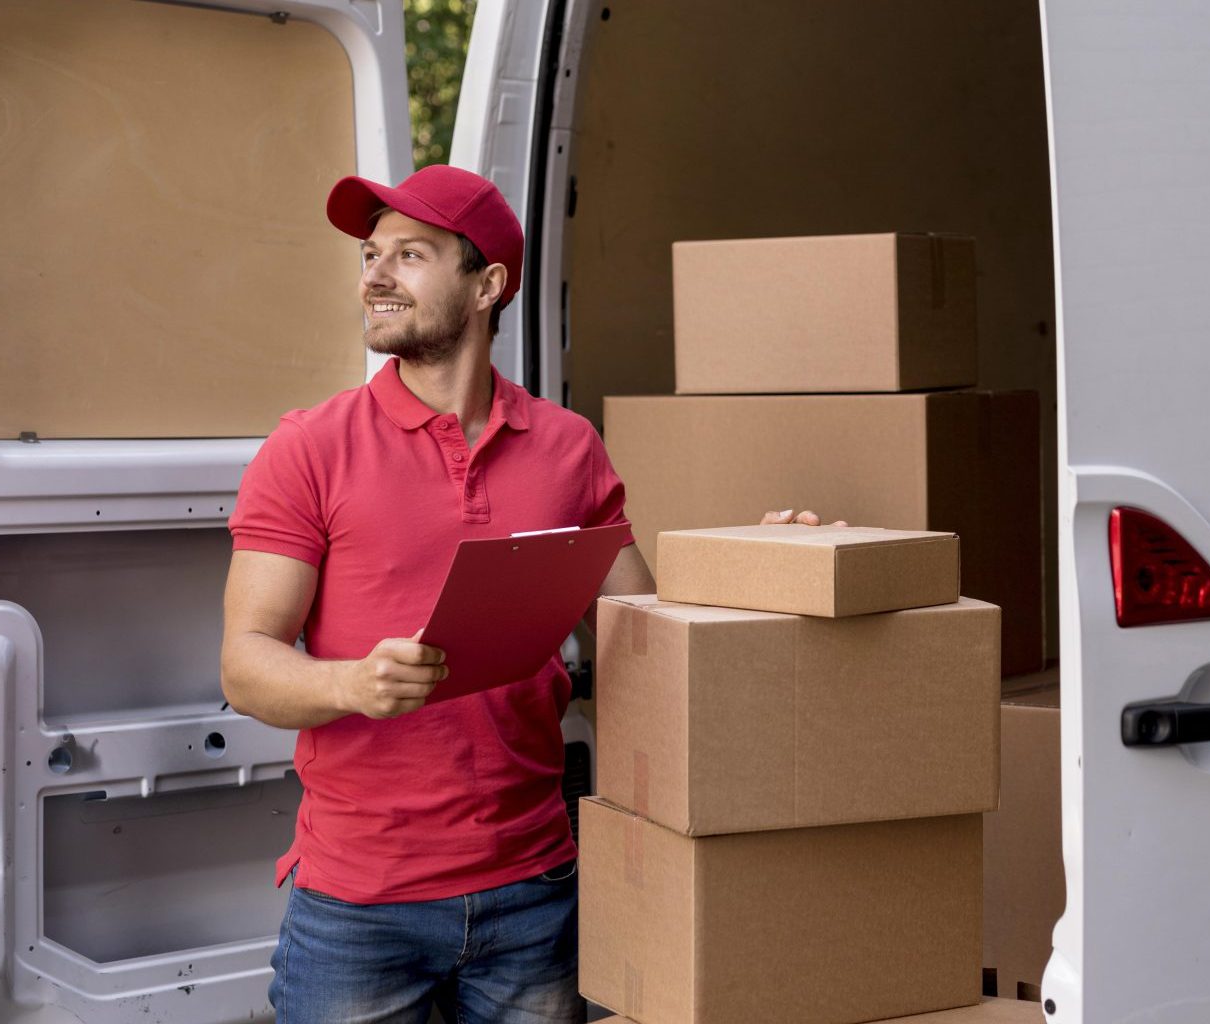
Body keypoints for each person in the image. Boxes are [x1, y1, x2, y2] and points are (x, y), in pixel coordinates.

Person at [219, 165, 835, 1023]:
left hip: (534, 892)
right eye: (370, 254)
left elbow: (641, 631)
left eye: (411, 254)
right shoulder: (308, 449)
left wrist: (761, 568)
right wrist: (348, 684)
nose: (375, 275)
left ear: (488, 285)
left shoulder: (568, 448)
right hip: (358, 906)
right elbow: (245, 667)